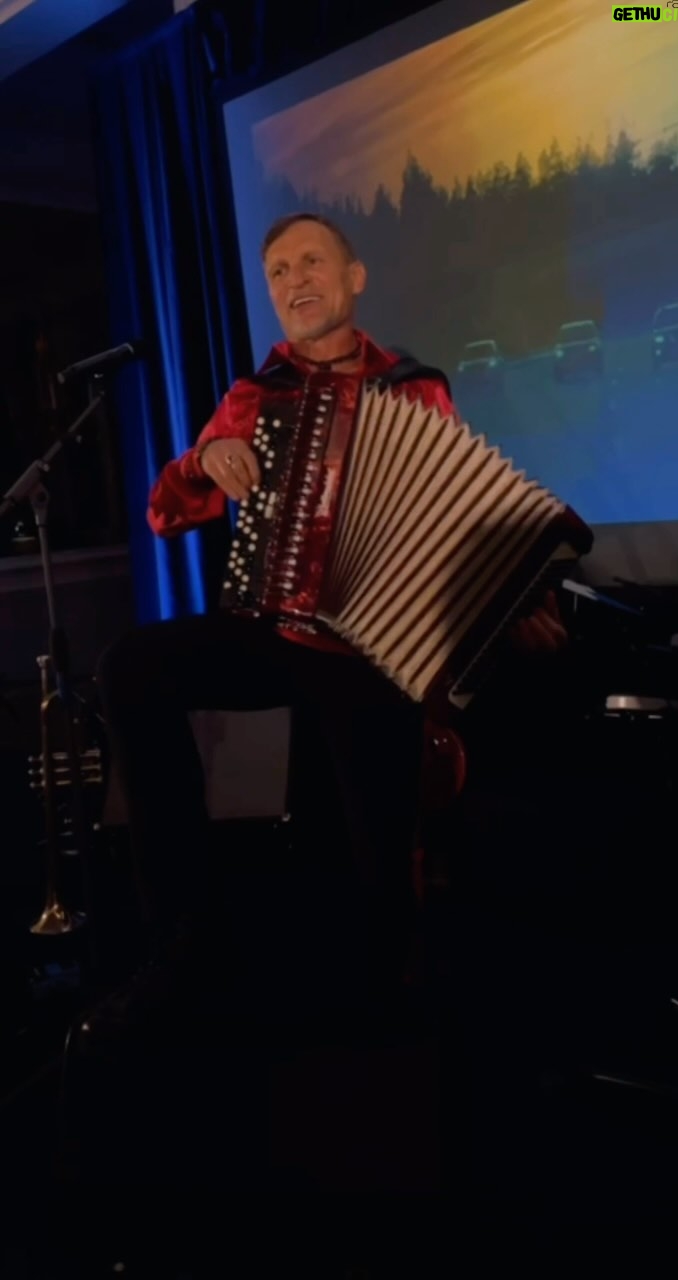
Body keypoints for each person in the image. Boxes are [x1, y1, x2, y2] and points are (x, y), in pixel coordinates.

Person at [96, 212, 567, 1015]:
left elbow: (465, 511)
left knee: (377, 865)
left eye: (311, 262)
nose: (294, 282)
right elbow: (164, 512)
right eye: (278, 272)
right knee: (131, 668)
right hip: (273, 626)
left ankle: (390, 989)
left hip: (370, 646)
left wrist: (524, 598)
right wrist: (205, 458)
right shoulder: (256, 397)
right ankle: (185, 926)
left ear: (354, 278)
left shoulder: (414, 388)